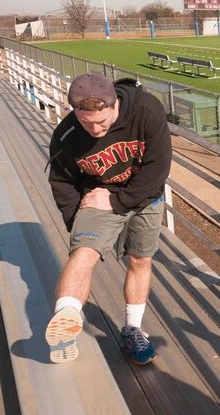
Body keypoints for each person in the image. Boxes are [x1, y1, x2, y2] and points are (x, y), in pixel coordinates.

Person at [45, 72, 172, 365]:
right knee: (83, 251)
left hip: (144, 195)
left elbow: (157, 170)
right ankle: (66, 316)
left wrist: (116, 200)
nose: (95, 129)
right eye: (85, 122)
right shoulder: (66, 135)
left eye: (102, 121)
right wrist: (76, 220)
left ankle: (133, 330)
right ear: (74, 111)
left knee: (140, 260)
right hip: (96, 196)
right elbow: (62, 181)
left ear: (115, 104)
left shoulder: (146, 110)